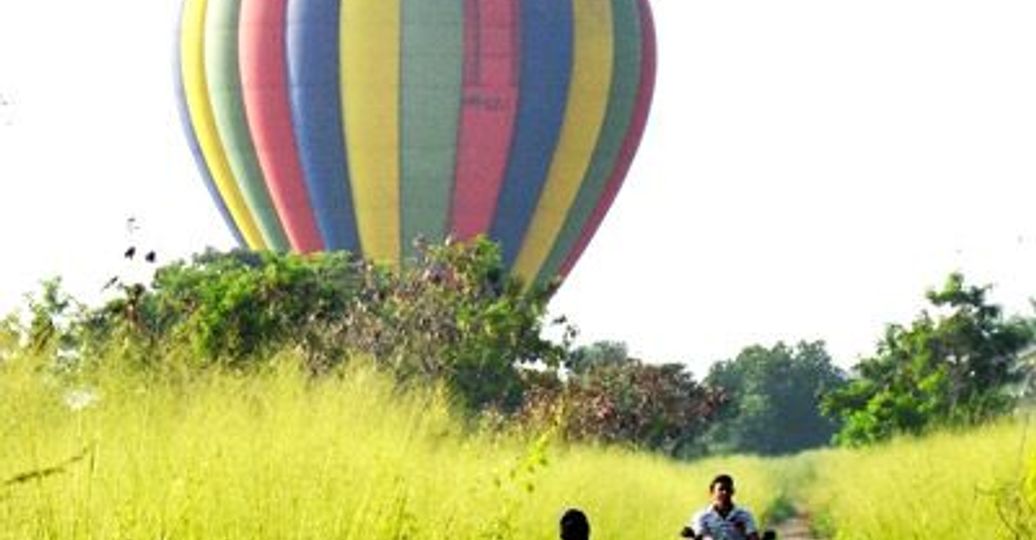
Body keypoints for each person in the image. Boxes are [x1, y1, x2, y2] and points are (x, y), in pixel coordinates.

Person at [682, 474, 760, 540]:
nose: (725, 492)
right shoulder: (702, 516)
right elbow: (701, 535)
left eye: (728, 489)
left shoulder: (744, 514)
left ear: (733, 491)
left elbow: (753, 535)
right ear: (712, 492)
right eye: (721, 489)